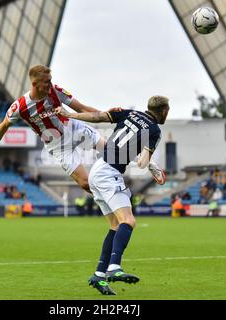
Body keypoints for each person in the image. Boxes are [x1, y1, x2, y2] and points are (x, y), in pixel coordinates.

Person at [57, 95, 168, 295]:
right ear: (164, 110)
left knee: (115, 226)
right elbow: (142, 163)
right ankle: (114, 267)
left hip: (97, 169)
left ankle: (99, 275)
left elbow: (97, 116)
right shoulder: (154, 130)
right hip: (110, 173)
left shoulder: (128, 113)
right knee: (128, 221)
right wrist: (150, 165)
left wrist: (69, 114)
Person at [0, 65, 114, 193]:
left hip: (74, 129)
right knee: (85, 184)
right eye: (47, 82)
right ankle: (113, 202)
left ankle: (135, 160)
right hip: (58, 146)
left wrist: (109, 115)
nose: (50, 84)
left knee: (112, 151)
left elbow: (82, 108)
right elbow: (3, 126)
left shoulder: (55, 91)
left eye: (50, 80)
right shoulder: (20, 106)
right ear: (35, 84)